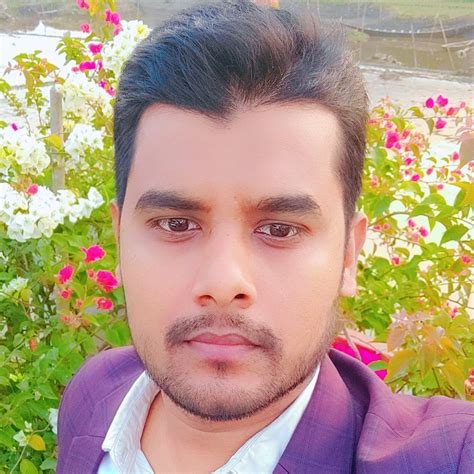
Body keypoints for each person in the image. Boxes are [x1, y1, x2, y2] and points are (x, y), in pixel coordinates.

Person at [56, 1, 473, 472]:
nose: (222, 282)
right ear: (119, 241)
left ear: (348, 254)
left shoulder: (450, 455)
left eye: (280, 229)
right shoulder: (96, 393)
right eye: (176, 224)